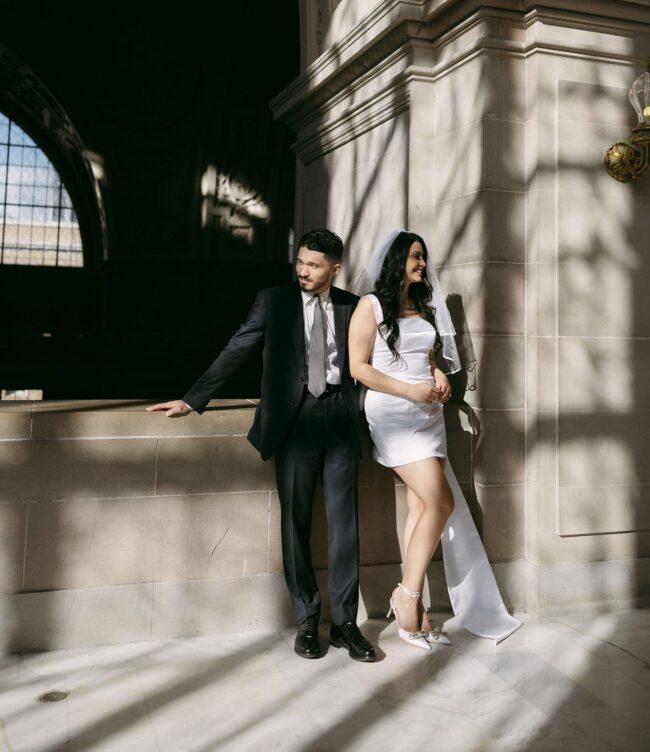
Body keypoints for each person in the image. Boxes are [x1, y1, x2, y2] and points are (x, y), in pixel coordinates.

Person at [147, 228, 376, 663]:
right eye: (301, 262)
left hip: (339, 422)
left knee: (346, 527)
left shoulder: (352, 306)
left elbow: (372, 361)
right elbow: (238, 348)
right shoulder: (274, 301)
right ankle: (308, 619)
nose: (304, 271)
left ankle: (345, 624)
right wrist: (193, 399)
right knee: (296, 524)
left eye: (314, 265)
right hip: (293, 423)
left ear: (335, 267)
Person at [348, 229, 521, 649]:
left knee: (421, 506)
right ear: (395, 261)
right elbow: (358, 367)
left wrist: (440, 376)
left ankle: (417, 611)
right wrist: (409, 390)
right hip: (392, 412)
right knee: (441, 503)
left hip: (428, 413)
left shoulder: (422, 309)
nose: (422, 263)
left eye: (423, 256)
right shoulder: (370, 306)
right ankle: (406, 598)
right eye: (414, 257)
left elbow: (426, 358)